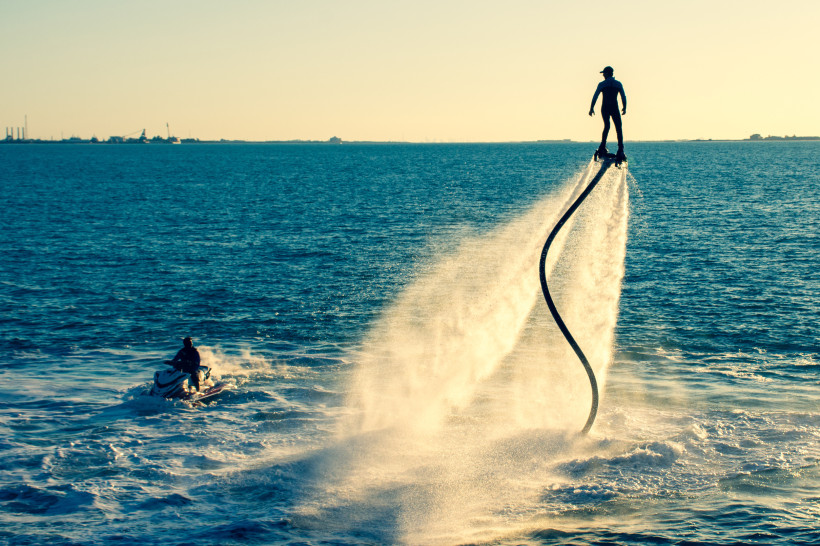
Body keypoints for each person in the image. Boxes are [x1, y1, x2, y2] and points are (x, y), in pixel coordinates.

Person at [589, 66, 627, 161]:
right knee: (618, 127)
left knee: (607, 126)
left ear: (607, 73)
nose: (603, 75)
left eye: (604, 73)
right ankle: (620, 149)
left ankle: (602, 146)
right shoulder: (618, 84)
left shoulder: (602, 84)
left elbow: (595, 96)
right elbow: (623, 96)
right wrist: (624, 107)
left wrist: (591, 108)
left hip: (605, 108)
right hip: (614, 107)